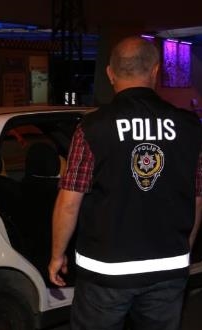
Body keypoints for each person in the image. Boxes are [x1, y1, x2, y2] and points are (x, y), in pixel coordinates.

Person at [48, 36, 202, 330]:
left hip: (106, 271)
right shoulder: (190, 127)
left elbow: (70, 201)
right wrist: (185, 247)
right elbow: (197, 196)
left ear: (110, 73)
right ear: (156, 71)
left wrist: (57, 255)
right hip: (167, 268)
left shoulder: (93, 127)